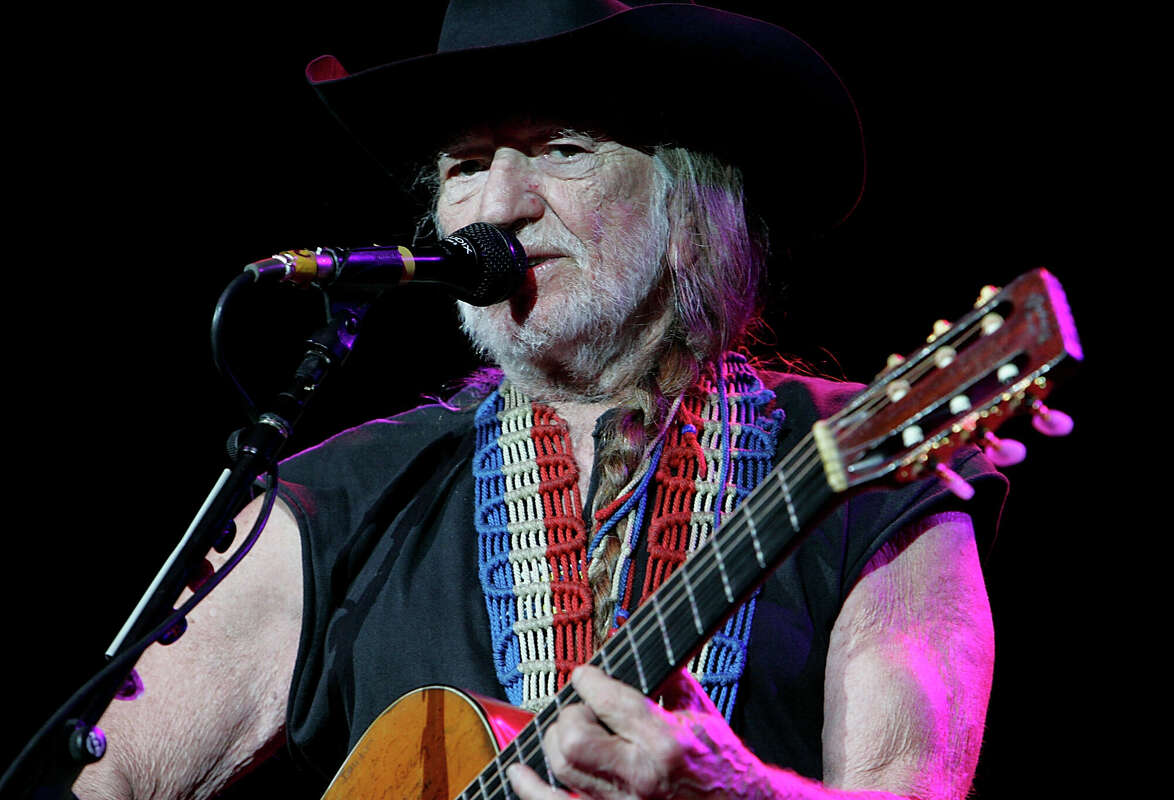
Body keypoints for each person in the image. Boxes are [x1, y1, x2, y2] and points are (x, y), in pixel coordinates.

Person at [74, 2, 1006, 798]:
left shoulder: (873, 482)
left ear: (691, 211)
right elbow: (103, 781)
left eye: (563, 148)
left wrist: (733, 791)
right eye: (466, 165)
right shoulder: (338, 505)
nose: (500, 205)